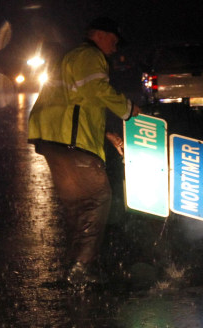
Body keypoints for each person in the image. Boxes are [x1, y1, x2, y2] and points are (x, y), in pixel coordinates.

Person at [27, 17, 141, 285]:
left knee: (80, 203)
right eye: (113, 40)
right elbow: (97, 89)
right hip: (70, 142)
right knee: (98, 198)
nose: (115, 47)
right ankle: (81, 268)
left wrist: (104, 134)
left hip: (55, 138)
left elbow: (74, 102)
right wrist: (129, 109)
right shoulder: (90, 55)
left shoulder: (71, 57)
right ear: (100, 35)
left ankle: (74, 265)